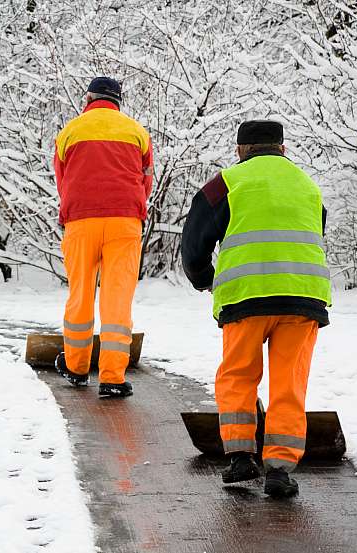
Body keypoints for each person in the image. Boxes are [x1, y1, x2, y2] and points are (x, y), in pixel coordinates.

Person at [181, 120, 331, 497]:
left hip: (245, 296)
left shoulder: (226, 182)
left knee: (238, 374)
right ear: (282, 148)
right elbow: (316, 228)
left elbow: (195, 237)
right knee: (289, 382)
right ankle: (280, 468)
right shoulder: (307, 185)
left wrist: (202, 276)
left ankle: (240, 457)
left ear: (240, 150)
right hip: (302, 297)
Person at [53, 76, 153, 398]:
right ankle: (112, 376)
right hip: (125, 221)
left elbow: (62, 179)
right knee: (117, 297)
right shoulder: (137, 132)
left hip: (81, 220)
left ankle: (77, 367)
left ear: (88, 98)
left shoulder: (70, 131)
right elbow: (145, 181)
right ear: (118, 101)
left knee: (81, 292)